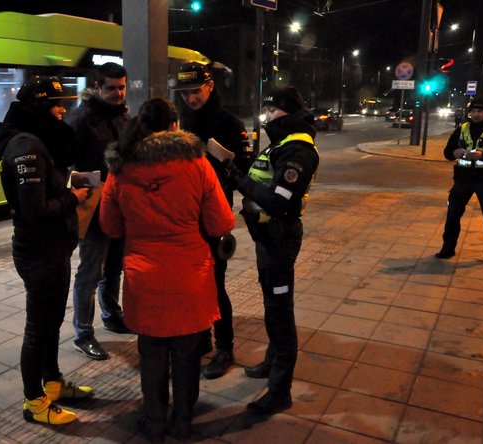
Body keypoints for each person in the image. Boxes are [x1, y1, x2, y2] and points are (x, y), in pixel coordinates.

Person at [100, 98, 236, 442]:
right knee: (188, 354)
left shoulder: (122, 168)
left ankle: (155, 419)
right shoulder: (197, 163)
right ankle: (182, 420)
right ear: (175, 126)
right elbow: (222, 220)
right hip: (189, 274)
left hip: (143, 276)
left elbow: (110, 226)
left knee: (152, 353)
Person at [0, 76, 94, 425]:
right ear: (38, 107)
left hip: (53, 249)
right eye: (55, 104)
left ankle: (51, 383)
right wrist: (74, 197)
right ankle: (34, 402)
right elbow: (34, 210)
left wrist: (68, 186)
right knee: (38, 328)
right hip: (39, 252)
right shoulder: (26, 147)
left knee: (52, 321)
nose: (62, 110)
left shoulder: (37, 141)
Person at [226, 86, 319, 415]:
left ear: (287, 112)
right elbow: (265, 174)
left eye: (272, 111)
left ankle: (280, 392)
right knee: (271, 305)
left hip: (280, 238)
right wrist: (241, 163)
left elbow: (279, 201)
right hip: (267, 237)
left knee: (280, 312)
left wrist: (238, 179)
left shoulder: (298, 150)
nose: (267, 116)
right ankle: (271, 362)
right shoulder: (283, 142)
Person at [172, 62, 253, 380]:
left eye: (195, 92)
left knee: (216, 284)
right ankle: (201, 336)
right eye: (185, 93)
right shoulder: (179, 123)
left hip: (214, 215)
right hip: (184, 216)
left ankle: (225, 347)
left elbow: (246, 169)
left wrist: (223, 159)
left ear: (209, 87)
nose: (190, 98)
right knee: (192, 283)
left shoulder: (230, 123)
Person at [65, 62, 133, 361]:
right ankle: (83, 334)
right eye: (111, 88)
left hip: (119, 207)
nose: (118, 93)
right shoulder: (79, 120)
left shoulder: (122, 115)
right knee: (90, 272)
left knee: (114, 266)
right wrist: (95, 184)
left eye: (122, 87)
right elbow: (65, 167)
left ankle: (111, 315)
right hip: (92, 209)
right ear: (96, 87)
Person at [435, 95, 483, 266]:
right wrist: (454, 153)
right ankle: (448, 248)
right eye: (473, 111)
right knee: (453, 215)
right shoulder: (462, 128)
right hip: (463, 179)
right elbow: (447, 152)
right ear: (469, 112)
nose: (476, 114)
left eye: (480, 111)